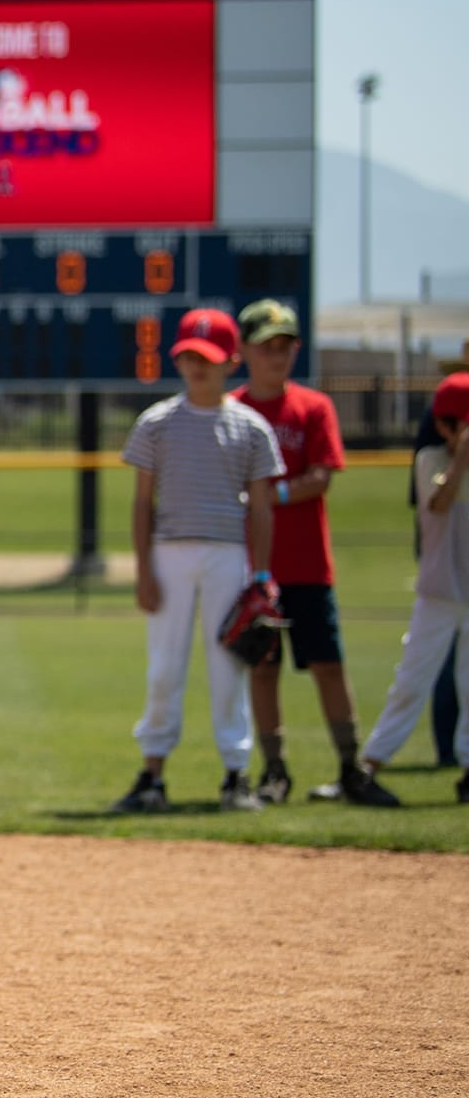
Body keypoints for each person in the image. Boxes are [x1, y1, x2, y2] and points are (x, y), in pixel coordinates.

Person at [114, 309, 285, 814]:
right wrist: (143, 569)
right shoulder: (158, 423)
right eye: (189, 356)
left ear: (231, 361)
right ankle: (152, 773)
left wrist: (261, 576)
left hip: (228, 555)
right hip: (169, 551)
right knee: (164, 667)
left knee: (227, 666)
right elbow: (143, 502)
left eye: (207, 358)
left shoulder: (250, 428)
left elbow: (261, 508)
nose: (196, 367)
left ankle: (236, 773)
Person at [227, 300, 369, 804]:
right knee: (263, 669)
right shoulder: (232, 411)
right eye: (267, 346)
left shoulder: (312, 408)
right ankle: (275, 771)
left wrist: (271, 493)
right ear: (243, 350)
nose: (277, 355)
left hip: (308, 565)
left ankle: (352, 768)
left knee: (328, 665)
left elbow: (321, 477)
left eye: (285, 345)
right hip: (255, 568)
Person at [344, 372, 469, 807]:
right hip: (438, 590)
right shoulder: (430, 461)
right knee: (411, 681)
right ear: (444, 426)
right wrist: (461, 458)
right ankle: (369, 767)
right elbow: (437, 505)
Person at [408, 403, 461, 768]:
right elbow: (432, 502)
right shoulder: (434, 452)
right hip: (445, 569)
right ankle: (447, 749)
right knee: (434, 663)